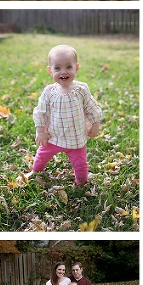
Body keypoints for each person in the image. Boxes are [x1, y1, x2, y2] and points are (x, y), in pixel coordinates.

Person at [31, 45, 102, 186]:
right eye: (57, 68)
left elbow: (91, 106)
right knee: (41, 155)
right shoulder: (49, 91)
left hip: (75, 139)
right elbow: (41, 111)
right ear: (50, 70)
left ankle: (81, 183)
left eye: (68, 67)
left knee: (80, 164)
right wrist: (40, 131)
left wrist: (95, 124)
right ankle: (36, 171)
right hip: (53, 137)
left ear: (76, 68)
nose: (63, 72)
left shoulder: (81, 89)